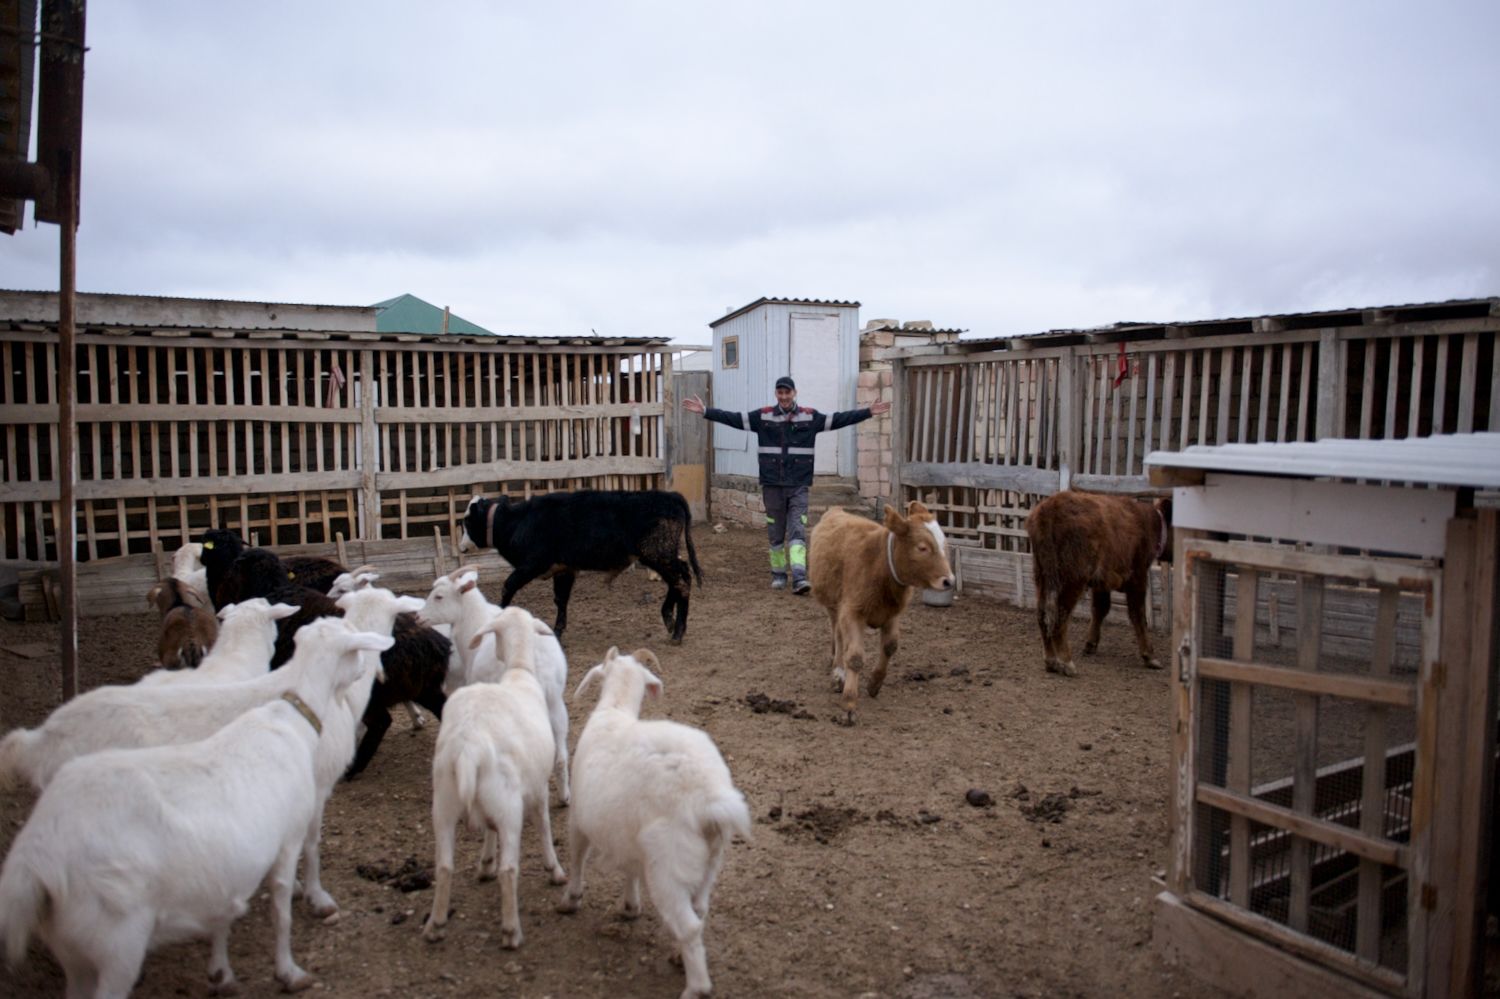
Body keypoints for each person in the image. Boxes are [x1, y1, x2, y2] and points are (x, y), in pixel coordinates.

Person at [683, 376, 890, 594]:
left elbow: (839, 419)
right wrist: (705, 411)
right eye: (780, 393)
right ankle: (779, 574)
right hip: (772, 486)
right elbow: (733, 418)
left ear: (794, 393)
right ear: (776, 394)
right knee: (775, 532)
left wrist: (868, 412)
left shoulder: (810, 417)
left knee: (797, 530)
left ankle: (799, 578)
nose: (783, 396)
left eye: (787, 392)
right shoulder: (762, 416)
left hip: (798, 485)